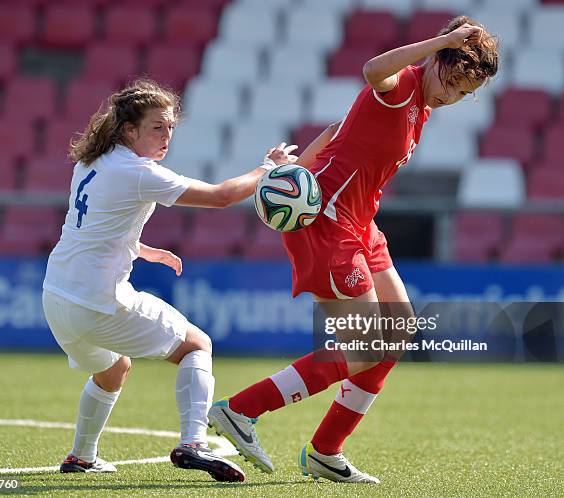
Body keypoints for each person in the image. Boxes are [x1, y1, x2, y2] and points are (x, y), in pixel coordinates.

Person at [208, 16, 499, 483]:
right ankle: (240, 411)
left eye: (464, 93)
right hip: (326, 223)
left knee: (397, 333)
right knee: (364, 347)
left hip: (361, 225)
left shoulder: (421, 105)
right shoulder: (401, 85)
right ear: (437, 61)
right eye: (452, 82)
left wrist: (295, 165)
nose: (453, 97)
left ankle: (325, 451)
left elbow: (340, 131)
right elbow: (371, 69)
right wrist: (442, 41)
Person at [41, 78, 298, 482]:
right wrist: (269, 168)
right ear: (129, 130)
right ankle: (194, 442)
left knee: (113, 369)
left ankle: (81, 457)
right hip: (96, 302)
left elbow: (91, 224)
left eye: (171, 127)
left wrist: (140, 248)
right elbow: (221, 197)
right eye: (157, 127)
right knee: (198, 345)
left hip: (55, 298)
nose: (166, 136)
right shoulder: (138, 172)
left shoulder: (90, 162)